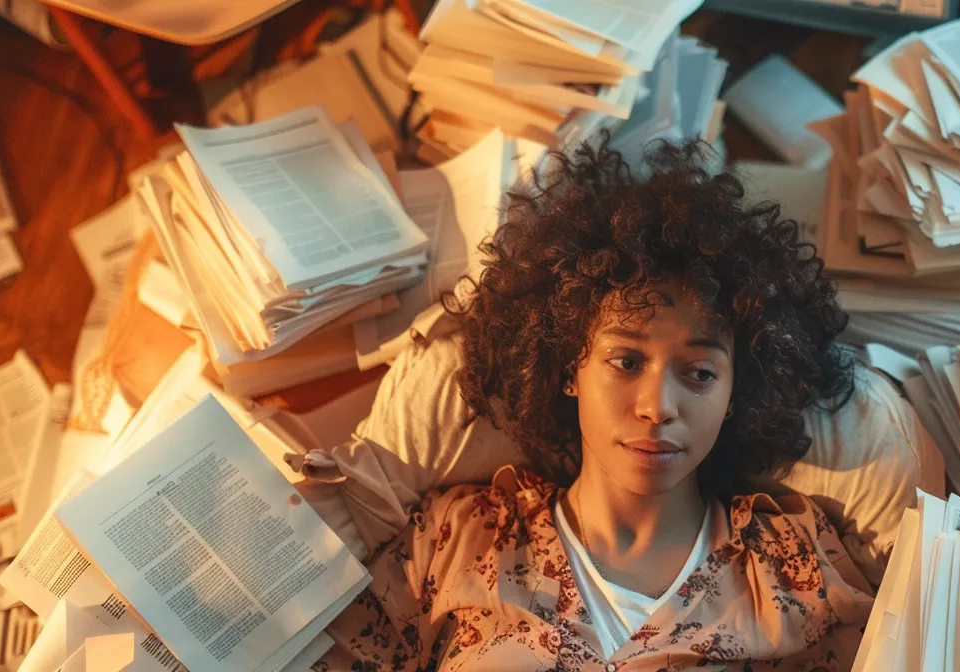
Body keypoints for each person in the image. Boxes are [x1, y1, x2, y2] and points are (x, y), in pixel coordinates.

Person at [326, 138, 870, 670]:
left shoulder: (796, 568)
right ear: (569, 368)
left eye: (700, 373)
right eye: (627, 362)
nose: (658, 407)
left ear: (736, 395)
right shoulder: (458, 541)